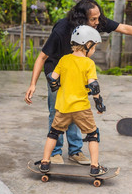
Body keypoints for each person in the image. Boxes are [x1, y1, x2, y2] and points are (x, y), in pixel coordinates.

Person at [24, 0, 132, 165]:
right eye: (93, 19)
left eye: (98, 18)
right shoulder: (62, 29)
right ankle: (55, 152)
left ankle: (75, 151)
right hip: (58, 68)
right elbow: (42, 57)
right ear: (81, 19)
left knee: (76, 107)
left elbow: (123, 28)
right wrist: (33, 84)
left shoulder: (95, 23)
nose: (97, 22)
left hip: (79, 68)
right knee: (58, 110)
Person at [40, 25, 107, 176]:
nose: (94, 50)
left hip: (63, 108)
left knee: (53, 133)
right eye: (94, 47)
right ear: (87, 45)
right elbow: (93, 86)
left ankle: (45, 162)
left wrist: (61, 84)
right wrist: (99, 104)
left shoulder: (64, 59)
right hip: (81, 108)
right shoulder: (89, 64)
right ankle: (94, 166)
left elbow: (53, 79)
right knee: (93, 135)